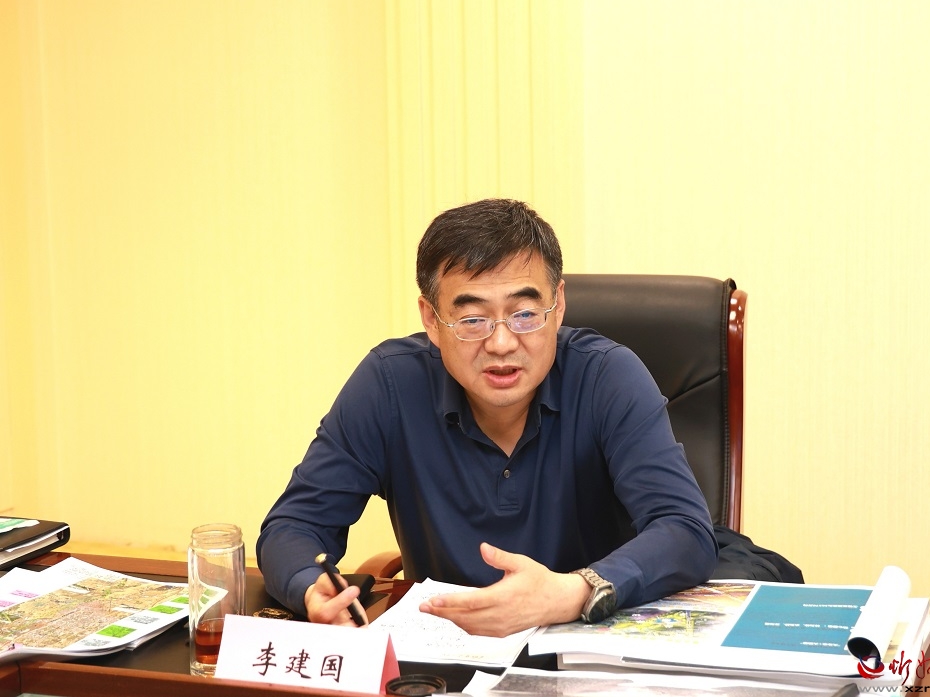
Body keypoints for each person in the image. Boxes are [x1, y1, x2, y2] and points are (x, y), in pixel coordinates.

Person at [257, 198, 718, 637]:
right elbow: (294, 526)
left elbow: (685, 529)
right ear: (432, 319)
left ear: (558, 305)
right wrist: (310, 588)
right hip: (443, 657)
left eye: (524, 314)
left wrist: (574, 592)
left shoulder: (607, 377)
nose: (501, 343)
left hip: (587, 643)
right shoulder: (390, 385)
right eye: (473, 319)